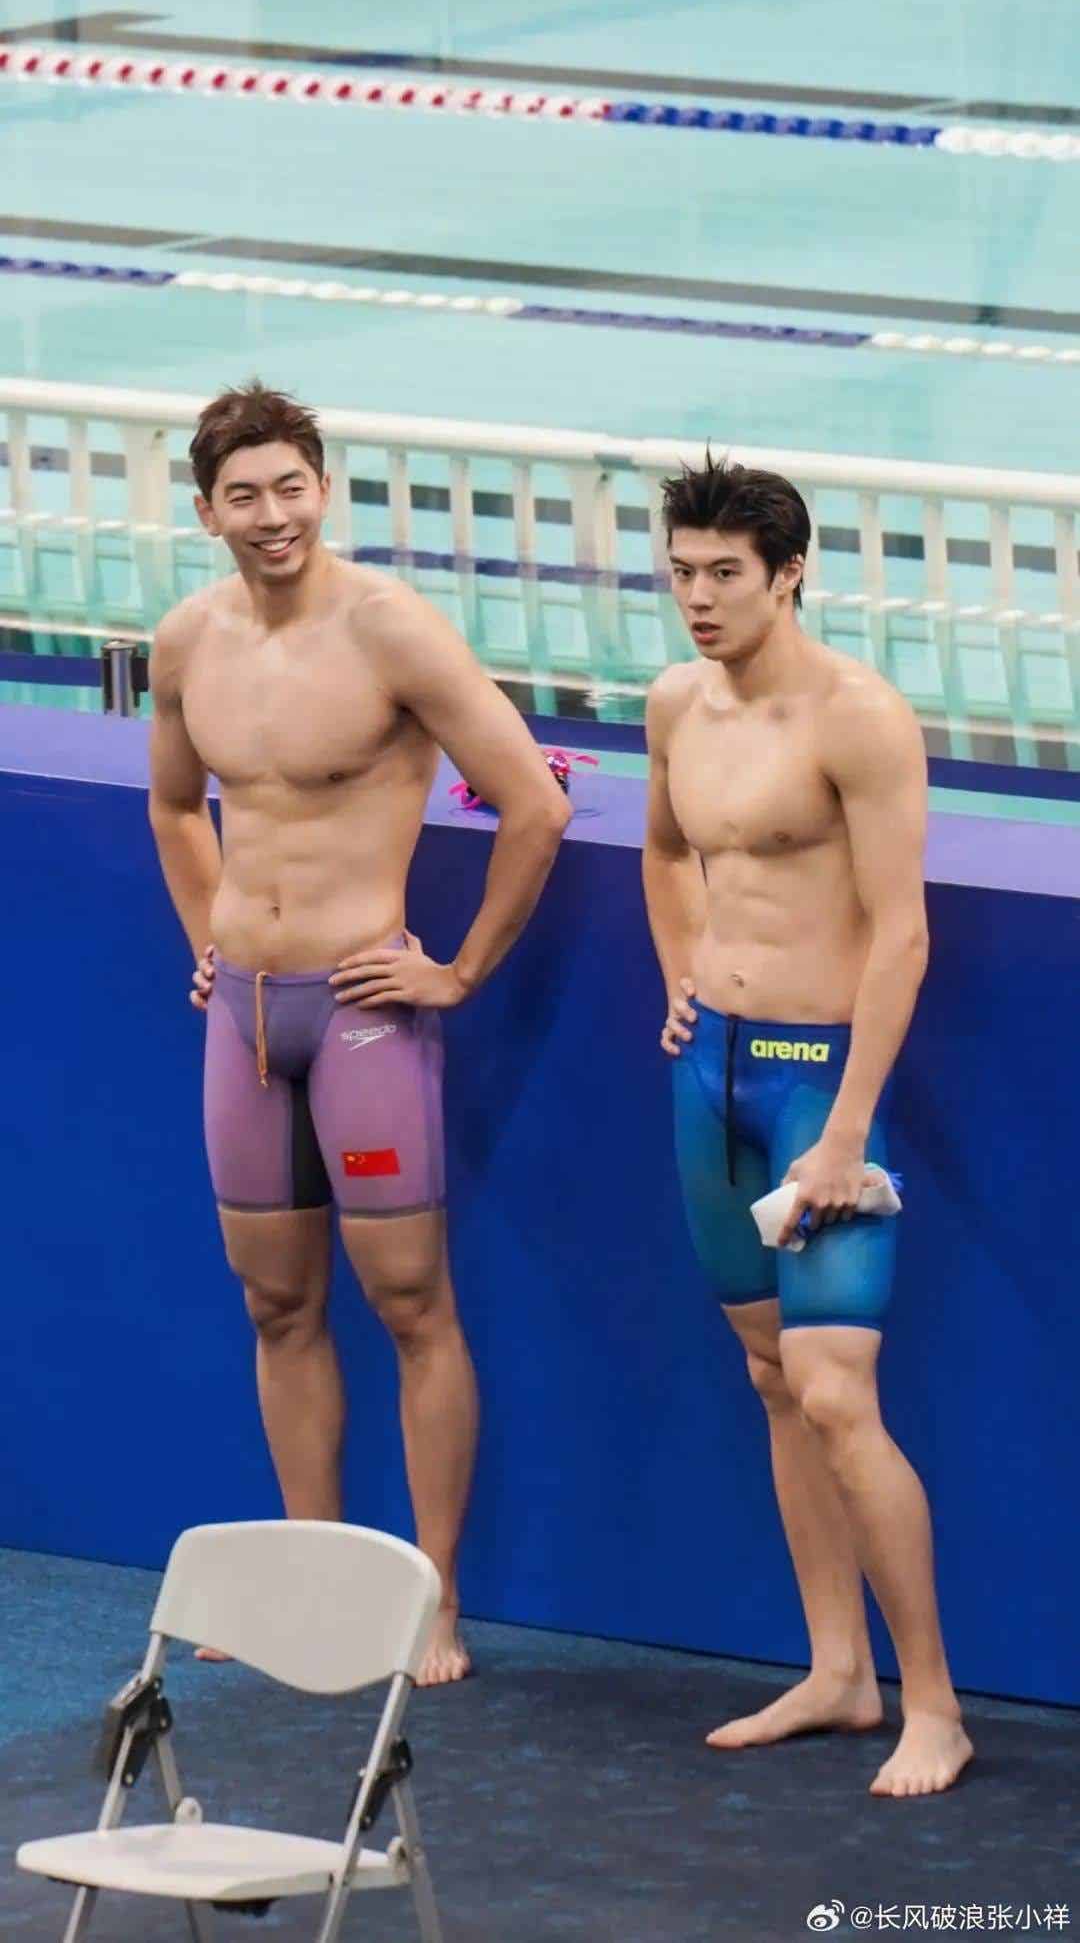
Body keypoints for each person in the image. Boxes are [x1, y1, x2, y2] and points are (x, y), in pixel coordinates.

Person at [148, 381, 570, 1684]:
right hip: (245, 1019)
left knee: (409, 1303)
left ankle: (431, 1602)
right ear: (206, 511)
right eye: (244, 495)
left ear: (323, 489)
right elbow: (174, 807)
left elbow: (534, 804)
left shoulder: (391, 630)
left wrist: (460, 971)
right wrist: (208, 938)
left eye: (291, 487)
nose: (272, 515)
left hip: (361, 1020)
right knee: (277, 1304)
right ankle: (309, 1592)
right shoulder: (187, 642)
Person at [642, 452, 972, 1796]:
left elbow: (903, 933)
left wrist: (846, 1128)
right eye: (682, 573)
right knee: (773, 1376)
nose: (699, 598)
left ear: (789, 575)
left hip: (815, 1083)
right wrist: (679, 969)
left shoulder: (859, 717)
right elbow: (667, 850)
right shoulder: (676, 703)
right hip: (710, 1075)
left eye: (725, 574)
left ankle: (934, 1705)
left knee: (837, 1392)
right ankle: (838, 1672)